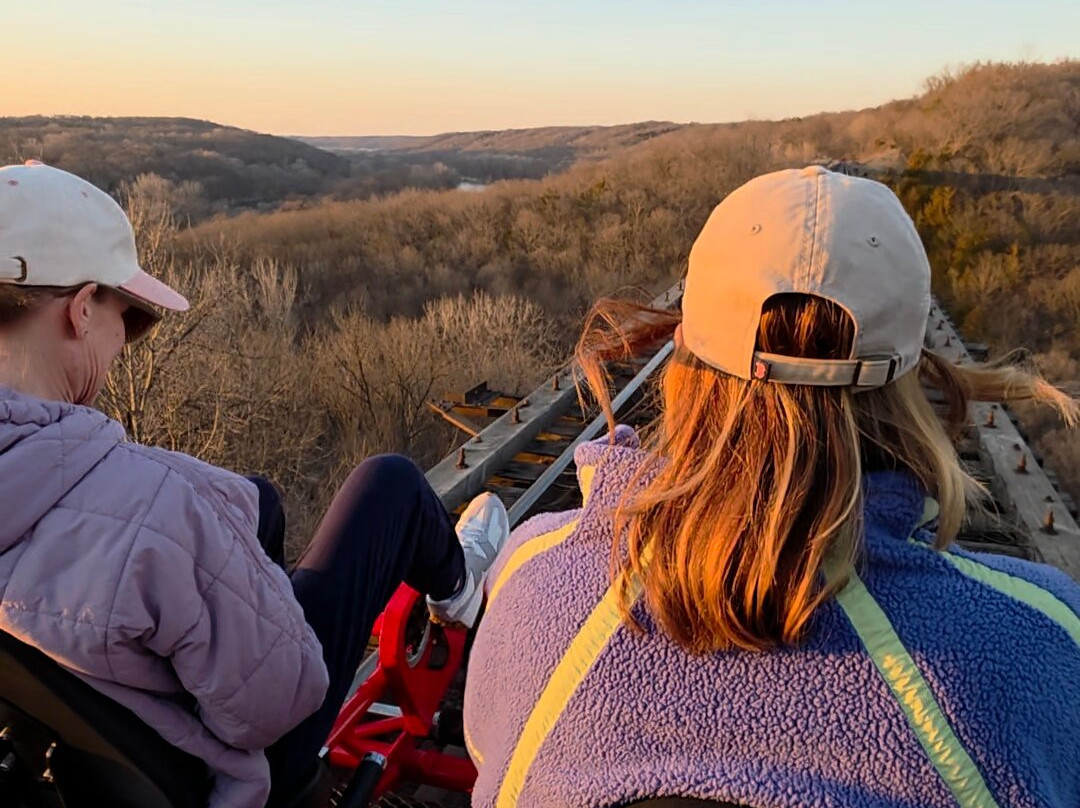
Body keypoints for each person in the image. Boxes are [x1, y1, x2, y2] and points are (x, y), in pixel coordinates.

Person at [463, 166, 1080, 808]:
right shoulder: (1038, 643)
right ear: (912, 371)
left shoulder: (531, 580)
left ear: (680, 349)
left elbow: (487, 753)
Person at [0, 161, 510, 808]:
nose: (124, 340)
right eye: (126, 317)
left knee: (259, 504)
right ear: (78, 312)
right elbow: (276, 705)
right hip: (236, 773)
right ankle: (459, 590)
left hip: (99, 762)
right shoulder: (155, 508)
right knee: (391, 485)